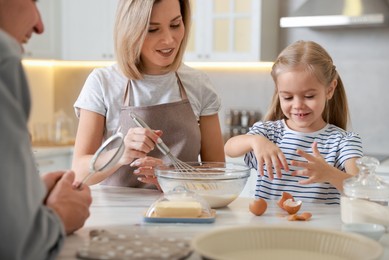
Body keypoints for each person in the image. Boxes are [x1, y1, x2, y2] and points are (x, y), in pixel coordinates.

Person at [72, 0, 225, 188]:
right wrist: (120, 154)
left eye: (175, 24)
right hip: (116, 215)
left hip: (183, 211)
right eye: (153, 29)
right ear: (131, 31)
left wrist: (171, 177)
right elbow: (78, 171)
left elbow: (217, 173)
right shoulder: (103, 82)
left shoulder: (199, 84)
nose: (169, 39)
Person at [0, 1, 92, 259]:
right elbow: (17, 245)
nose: (40, 26)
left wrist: (24, 198)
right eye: (33, 1)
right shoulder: (3, 56)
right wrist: (59, 215)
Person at [225, 40, 363, 204]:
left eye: (309, 96)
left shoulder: (342, 141)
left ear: (330, 90)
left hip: (320, 229)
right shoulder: (269, 134)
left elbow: (361, 190)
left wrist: (329, 174)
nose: (298, 105)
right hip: (270, 228)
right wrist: (254, 140)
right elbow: (229, 149)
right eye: (288, 97)